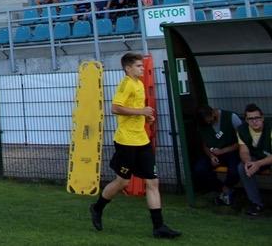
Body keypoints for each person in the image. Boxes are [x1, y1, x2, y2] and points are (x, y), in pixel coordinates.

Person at [90, 53, 180, 238]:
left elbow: (135, 111)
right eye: (138, 66)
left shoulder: (138, 84)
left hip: (142, 141)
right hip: (126, 142)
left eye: (142, 65)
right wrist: (141, 111)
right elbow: (115, 108)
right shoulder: (126, 84)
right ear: (128, 68)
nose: (142, 68)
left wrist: (146, 117)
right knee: (123, 181)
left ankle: (159, 227)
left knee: (152, 182)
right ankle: (97, 208)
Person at [194, 105, 242, 206]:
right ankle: (224, 190)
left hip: (231, 151)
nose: (209, 123)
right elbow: (205, 145)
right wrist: (211, 156)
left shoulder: (231, 117)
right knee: (199, 170)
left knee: (235, 171)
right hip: (214, 153)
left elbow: (242, 141)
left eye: (210, 121)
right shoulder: (203, 125)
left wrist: (223, 151)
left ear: (213, 113)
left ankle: (227, 191)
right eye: (206, 122)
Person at [236, 103, 270, 217]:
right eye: (250, 119)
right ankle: (256, 204)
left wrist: (258, 164)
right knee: (243, 167)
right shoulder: (242, 129)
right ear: (246, 120)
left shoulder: (270, 127)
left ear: (262, 118)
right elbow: (243, 151)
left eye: (257, 118)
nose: (254, 121)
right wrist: (248, 162)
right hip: (257, 158)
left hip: (268, 158)